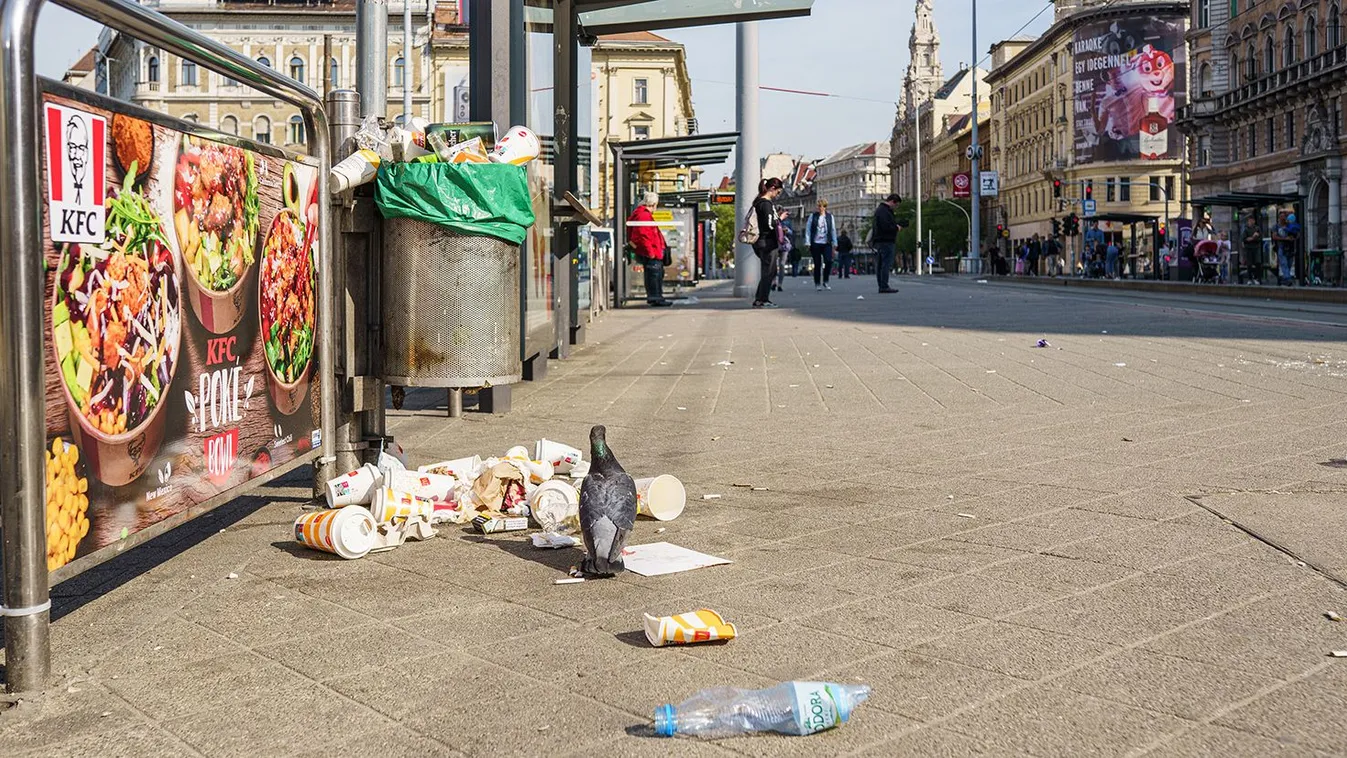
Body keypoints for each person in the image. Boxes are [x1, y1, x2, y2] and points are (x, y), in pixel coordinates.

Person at [628, 191, 670, 306]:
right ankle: (656, 298)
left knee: (654, 275)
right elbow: (644, 235)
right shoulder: (644, 215)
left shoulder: (641, 214)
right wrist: (651, 252)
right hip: (652, 252)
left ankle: (655, 297)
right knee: (654, 275)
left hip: (652, 251)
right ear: (653, 204)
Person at [749, 177, 784, 308]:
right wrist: (780, 219)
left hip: (760, 242)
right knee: (769, 271)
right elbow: (770, 224)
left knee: (768, 270)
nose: (777, 195)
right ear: (772, 189)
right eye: (778, 192)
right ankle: (762, 299)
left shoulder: (758, 202)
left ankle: (760, 299)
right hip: (767, 241)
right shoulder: (766, 204)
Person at [804, 199, 838, 291]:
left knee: (828, 261)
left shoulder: (830, 217)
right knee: (817, 264)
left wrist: (835, 243)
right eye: (818, 206)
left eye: (820, 206)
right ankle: (817, 283)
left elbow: (833, 230)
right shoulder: (813, 216)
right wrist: (807, 242)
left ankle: (825, 281)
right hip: (815, 243)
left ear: (824, 207)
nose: (818, 208)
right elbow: (808, 229)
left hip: (826, 243)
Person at [872, 193, 903, 293]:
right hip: (886, 241)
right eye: (896, 205)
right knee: (885, 264)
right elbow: (885, 227)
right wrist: (896, 228)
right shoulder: (885, 211)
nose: (896, 208)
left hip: (880, 241)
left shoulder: (880, 210)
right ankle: (884, 285)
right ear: (893, 202)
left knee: (881, 264)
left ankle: (882, 285)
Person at [774, 208, 793, 293]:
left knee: (782, 264)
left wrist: (787, 230)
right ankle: (773, 282)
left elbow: (792, 232)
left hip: (784, 244)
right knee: (773, 264)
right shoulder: (774, 220)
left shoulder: (787, 221)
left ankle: (780, 284)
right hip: (775, 243)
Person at [1241, 214, 1263, 285]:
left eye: (1252, 220)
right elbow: (1244, 239)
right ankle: (1250, 278)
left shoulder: (1257, 228)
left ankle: (1257, 278)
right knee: (1249, 264)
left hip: (1256, 248)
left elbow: (1259, 238)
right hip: (1248, 248)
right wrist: (1252, 238)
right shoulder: (1246, 229)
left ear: (1254, 221)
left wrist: (1252, 238)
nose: (1250, 222)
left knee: (1258, 263)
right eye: (1249, 221)